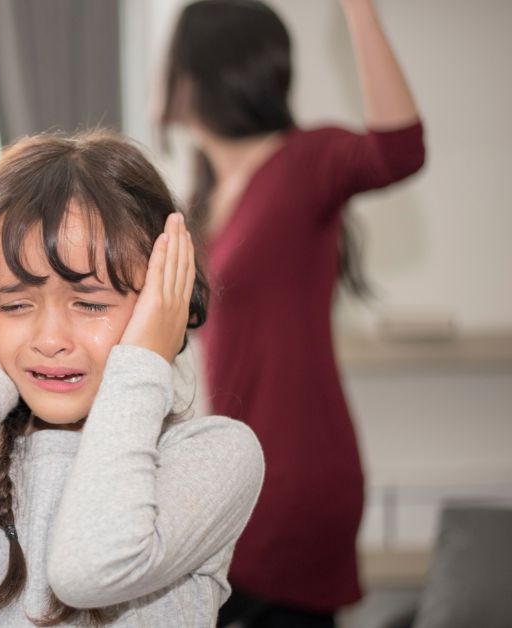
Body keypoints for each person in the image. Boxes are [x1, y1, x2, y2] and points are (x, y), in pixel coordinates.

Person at [0, 129, 266, 627]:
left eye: (91, 304)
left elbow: (91, 568)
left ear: (166, 304)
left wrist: (143, 362)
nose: (50, 338)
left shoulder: (213, 454)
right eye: (14, 304)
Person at [159, 1, 426, 625]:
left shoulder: (304, 162)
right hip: (234, 476)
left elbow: (401, 149)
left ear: (194, 77)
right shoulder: (203, 192)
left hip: (293, 476)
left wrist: (358, 11)